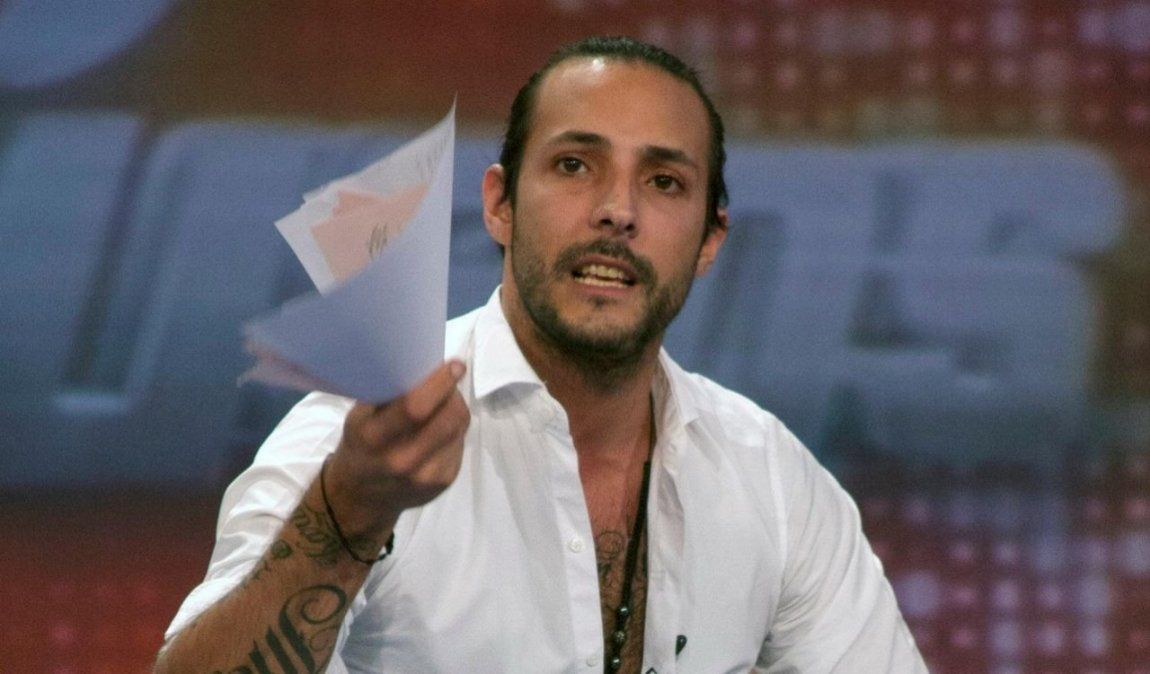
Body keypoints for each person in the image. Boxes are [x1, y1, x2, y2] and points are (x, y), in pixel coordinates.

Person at [156, 36, 926, 673]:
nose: (617, 211)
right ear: (499, 204)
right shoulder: (352, 440)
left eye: (664, 181)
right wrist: (348, 516)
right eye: (574, 165)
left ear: (709, 241)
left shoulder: (772, 479)